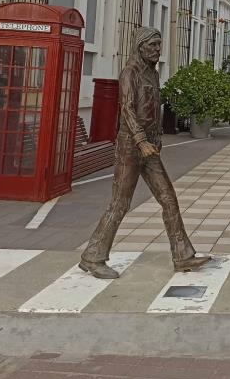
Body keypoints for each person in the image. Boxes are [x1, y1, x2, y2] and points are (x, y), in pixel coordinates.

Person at [80, 28, 210, 279]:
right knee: (120, 203)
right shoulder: (130, 73)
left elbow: (153, 111)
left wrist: (155, 139)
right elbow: (126, 110)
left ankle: (183, 255)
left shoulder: (153, 74)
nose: (157, 50)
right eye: (153, 45)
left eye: (160, 45)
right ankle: (92, 256)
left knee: (168, 198)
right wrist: (141, 140)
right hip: (131, 145)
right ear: (140, 46)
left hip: (150, 146)